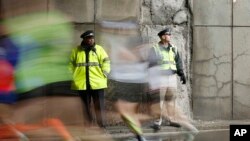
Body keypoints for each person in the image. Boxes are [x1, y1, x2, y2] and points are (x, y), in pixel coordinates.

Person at [147, 28, 187, 131]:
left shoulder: (173, 48)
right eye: (167, 34)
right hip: (160, 78)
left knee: (171, 100)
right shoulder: (155, 49)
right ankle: (157, 122)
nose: (169, 36)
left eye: (169, 34)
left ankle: (171, 119)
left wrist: (181, 73)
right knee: (158, 100)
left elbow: (178, 62)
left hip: (172, 78)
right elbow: (151, 65)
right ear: (162, 36)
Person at [69, 30, 110, 128]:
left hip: (97, 82)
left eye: (92, 38)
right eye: (88, 38)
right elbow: (70, 64)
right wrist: (72, 76)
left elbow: (106, 62)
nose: (91, 40)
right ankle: (88, 125)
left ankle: (102, 125)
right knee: (85, 106)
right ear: (84, 39)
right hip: (81, 83)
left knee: (99, 106)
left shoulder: (99, 49)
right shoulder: (76, 50)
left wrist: (105, 73)